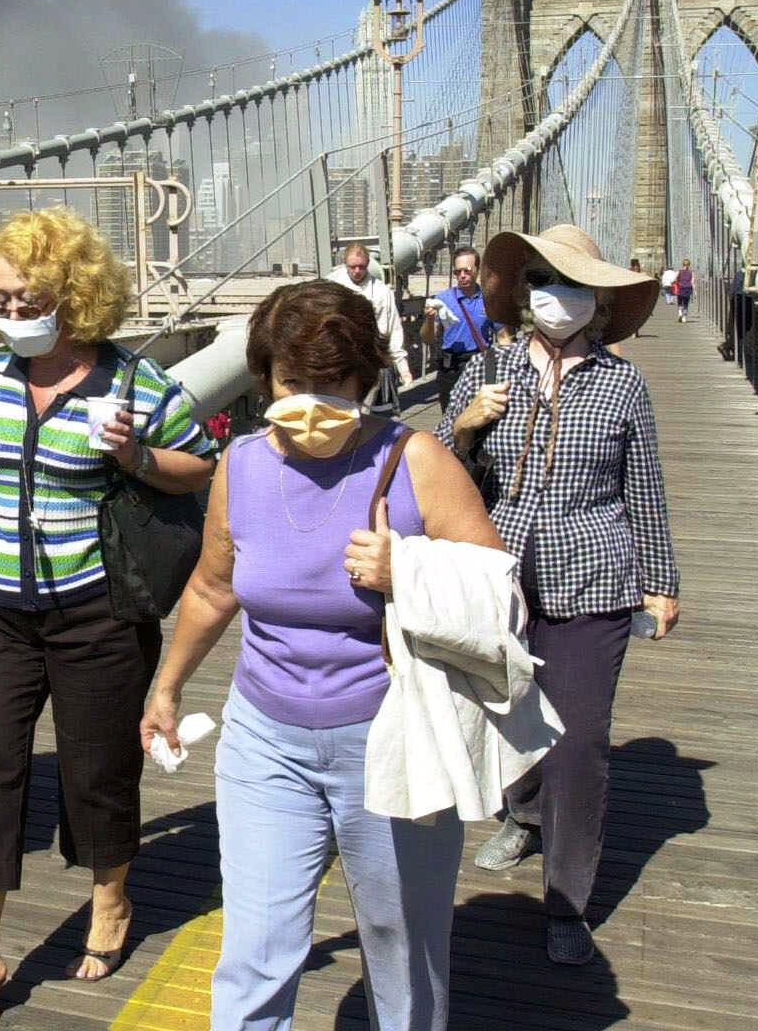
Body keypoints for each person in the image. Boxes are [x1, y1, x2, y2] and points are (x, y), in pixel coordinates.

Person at [139, 279, 499, 1030]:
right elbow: (211, 588)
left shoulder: (416, 460)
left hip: (393, 742)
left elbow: (501, 596)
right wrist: (165, 688)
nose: (310, 404)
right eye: (292, 384)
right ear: (265, 378)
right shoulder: (240, 466)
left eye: (332, 385)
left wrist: (408, 573)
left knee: (403, 948)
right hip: (265, 740)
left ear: (365, 378)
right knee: (256, 947)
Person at [0, 207, 216, 1029]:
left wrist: (135, 456)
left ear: (74, 297)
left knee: (96, 768)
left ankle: (111, 901)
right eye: (0, 301)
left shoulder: (135, 383)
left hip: (97, 610)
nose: (12, 317)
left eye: (28, 300)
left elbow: (197, 471)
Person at [437, 225, 680, 966]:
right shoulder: (488, 369)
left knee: (578, 737)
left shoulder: (622, 384)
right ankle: (525, 812)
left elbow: (645, 488)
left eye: (572, 284)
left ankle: (567, 898)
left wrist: (661, 582)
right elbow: (437, 471)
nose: (555, 296)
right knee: (510, 712)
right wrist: (466, 427)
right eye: (542, 279)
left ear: (599, 302)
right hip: (499, 568)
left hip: (594, 573)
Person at [325, 242, 412, 394]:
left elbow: (392, 328)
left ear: (368, 264)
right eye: (353, 267)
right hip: (339, 358)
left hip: (370, 359)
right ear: (345, 264)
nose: (357, 271)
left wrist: (403, 368)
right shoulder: (331, 286)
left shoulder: (381, 291)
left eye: (362, 266)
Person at [418, 245, 496, 412]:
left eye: (467, 271)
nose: (462, 276)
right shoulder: (443, 299)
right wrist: (429, 320)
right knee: (450, 417)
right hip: (450, 367)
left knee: (481, 415)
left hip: (479, 364)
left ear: (477, 270)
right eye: (457, 272)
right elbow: (427, 339)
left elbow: (503, 337)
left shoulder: (489, 300)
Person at [674, 259, 695, 323]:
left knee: (680, 302)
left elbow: (675, 279)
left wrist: (674, 282)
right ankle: (684, 318)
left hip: (680, 288)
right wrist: (695, 291)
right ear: (689, 265)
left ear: (682, 264)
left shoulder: (679, 271)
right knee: (686, 304)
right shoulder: (691, 272)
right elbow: (692, 282)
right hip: (688, 289)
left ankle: (680, 313)